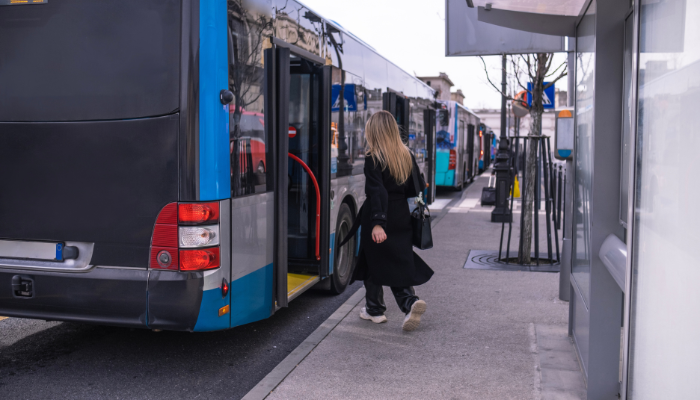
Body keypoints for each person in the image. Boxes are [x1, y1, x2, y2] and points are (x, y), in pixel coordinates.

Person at [346, 110, 434, 331]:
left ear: (373, 131)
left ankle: (407, 303)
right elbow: (416, 190)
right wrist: (415, 220)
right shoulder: (406, 155)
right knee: (379, 259)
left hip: (380, 215)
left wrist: (378, 223)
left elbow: (377, 192)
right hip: (402, 215)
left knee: (383, 261)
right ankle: (374, 309)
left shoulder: (373, 157)